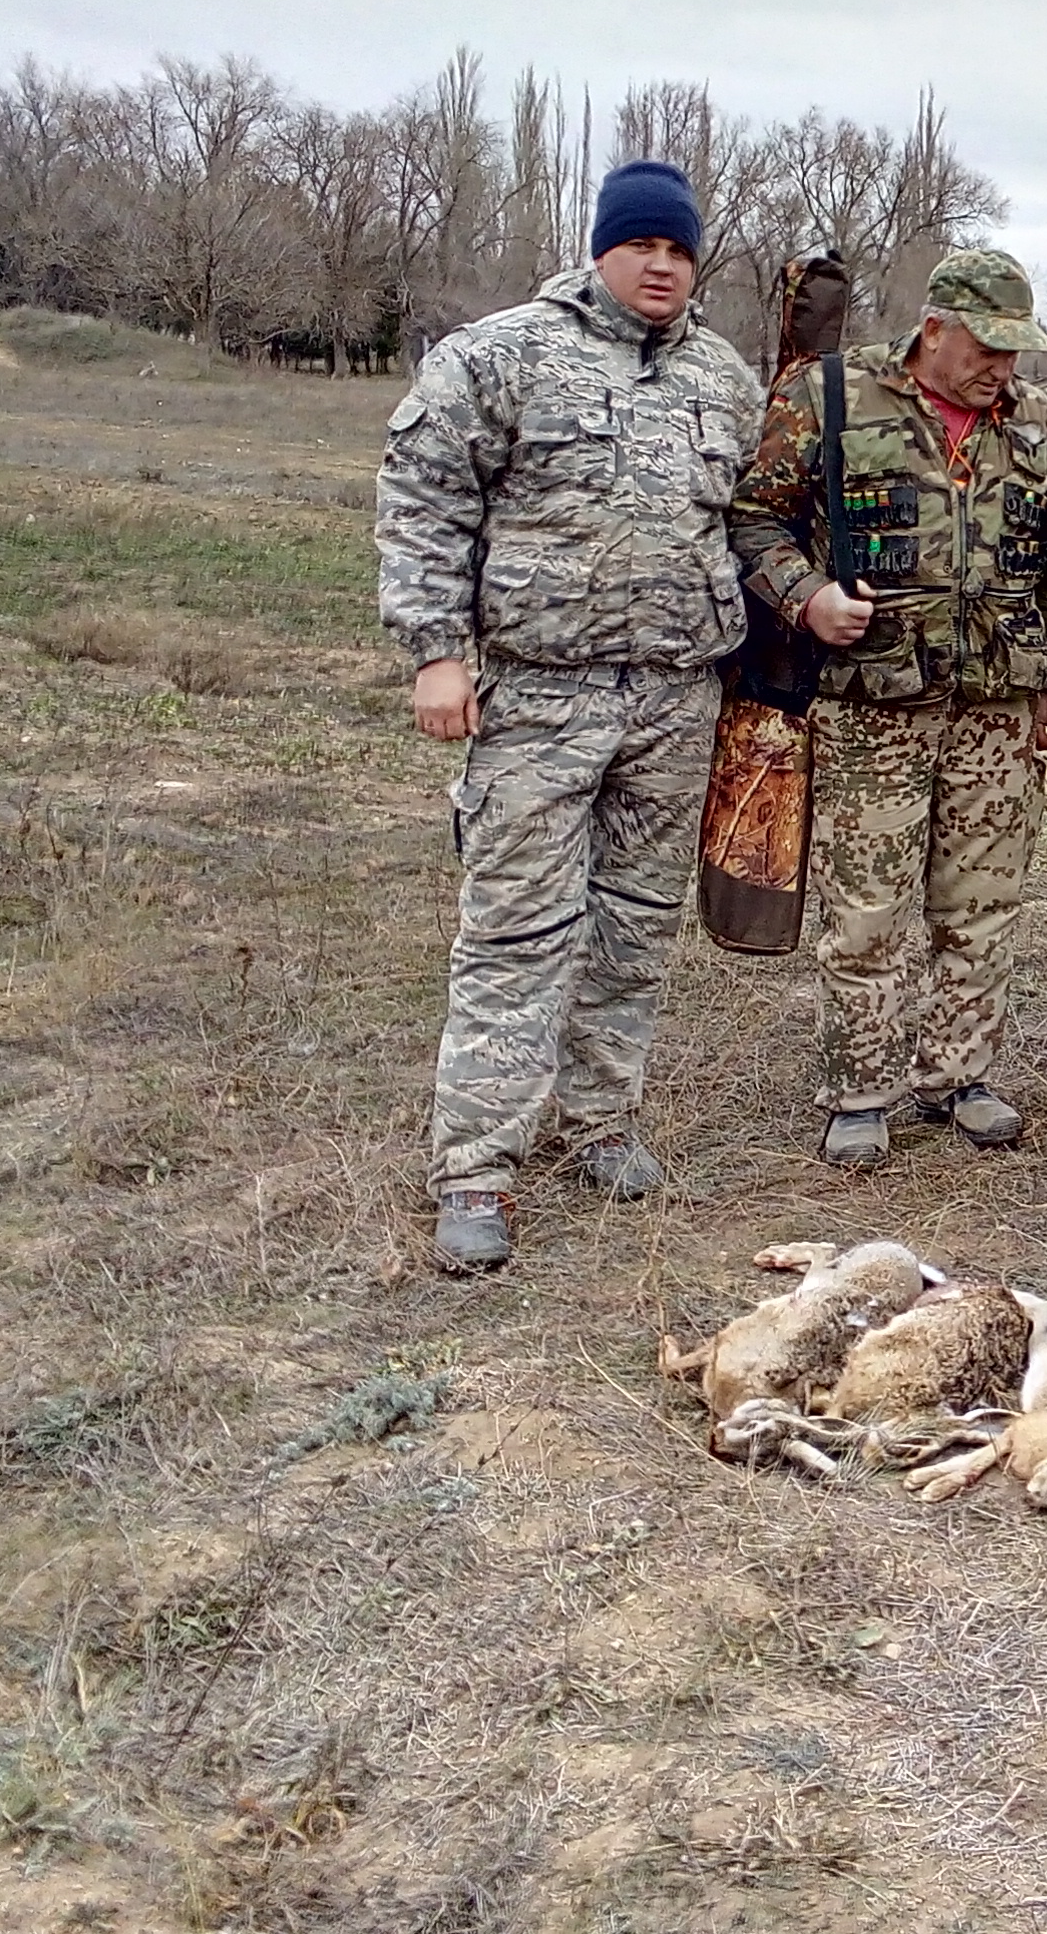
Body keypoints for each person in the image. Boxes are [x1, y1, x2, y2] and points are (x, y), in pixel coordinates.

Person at [376, 159, 765, 1272]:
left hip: (675, 700)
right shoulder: (499, 357)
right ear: (601, 248)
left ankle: (600, 1120)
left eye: (680, 250)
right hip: (540, 696)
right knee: (517, 930)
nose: (662, 266)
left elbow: (751, 522)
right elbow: (423, 500)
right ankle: (476, 1169)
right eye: (643, 245)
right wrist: (436, 654)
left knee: (635, 923)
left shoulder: (724, 379)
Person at [727, 247, 1047, 1169]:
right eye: (987, 347)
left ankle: (959, 1076)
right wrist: (807, 597)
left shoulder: (1035, 422)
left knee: (983, 901)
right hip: (872, 703)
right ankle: (860, 1091)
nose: (1003, 367)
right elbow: (753, 518)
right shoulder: (831, 396)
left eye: (1015, 350)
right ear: (935, 329)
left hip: (994, 707)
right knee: (867, 907)